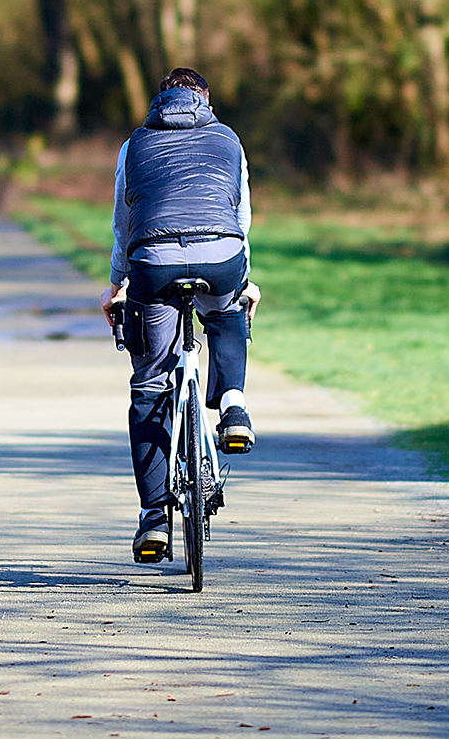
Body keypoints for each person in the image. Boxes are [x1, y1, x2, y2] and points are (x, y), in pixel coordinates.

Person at [99, 67, 263, 564]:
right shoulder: (229, 141)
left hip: (152, 262)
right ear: (206, 99)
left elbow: (124, 220)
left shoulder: (135, 144)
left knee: (149, 384)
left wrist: (116, 284)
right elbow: (240, 216)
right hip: (220, 256)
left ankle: (153, 518)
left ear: (160, 99)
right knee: (227, 308)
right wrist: (243, 276)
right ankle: (232, 406)